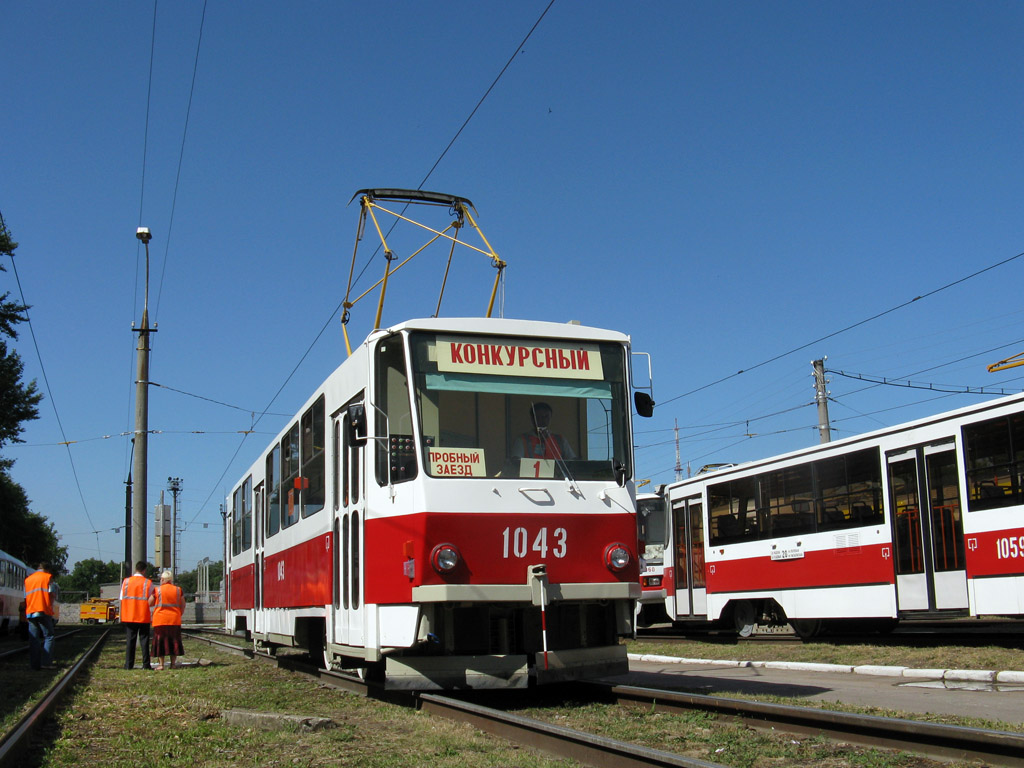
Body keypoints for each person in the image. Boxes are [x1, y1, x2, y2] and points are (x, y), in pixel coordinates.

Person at [510, 401, 577, 461]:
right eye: (538, 417)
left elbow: (573, 461)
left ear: (550, 418)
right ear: (533, 419)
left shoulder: (560, 440)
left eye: (546, 417)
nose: (542, 420)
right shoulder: (522, 440)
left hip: (556, 474)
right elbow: (516, 462)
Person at [120, 560, 154, 670]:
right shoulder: (148, 583)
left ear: (136, 569)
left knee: (130, 641)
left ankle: (128, 665)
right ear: (144, 570)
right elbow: (152, 599)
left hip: (129, 615)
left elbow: (122, 597)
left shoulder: (126, 582)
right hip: (143, 615)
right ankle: (146, 664)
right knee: (144, 641)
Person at [24, 562, 58, 670]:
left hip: (30, 611)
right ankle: (46, 663)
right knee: (49, 636)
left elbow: (25, 597)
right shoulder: (48, 578)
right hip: (43, 610)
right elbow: (52, 595)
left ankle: (34, 665)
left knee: (34, 638)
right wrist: (50, 608)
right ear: (47, 569)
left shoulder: (28, 580)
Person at [149, 570, 185, 670]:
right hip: (174, 619)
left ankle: (161, 665)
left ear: (164, 579)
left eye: (161, 579)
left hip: (160, 620)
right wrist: (179, 614)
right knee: (174, 642)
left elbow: (150, 602)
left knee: (160, 643)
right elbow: (183, 604)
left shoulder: (157, 590)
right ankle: (173, 664)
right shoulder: (178, 590)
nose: (160, 580)